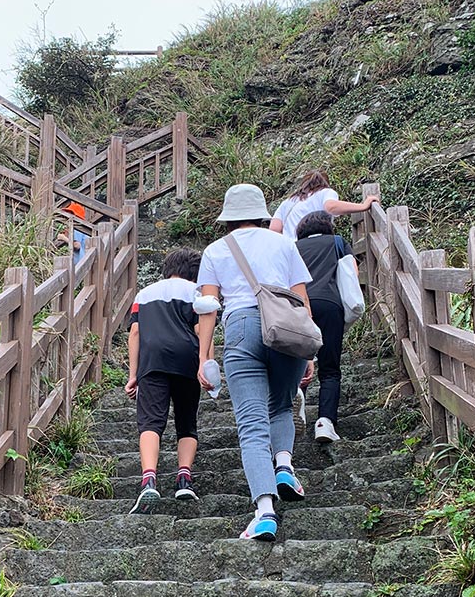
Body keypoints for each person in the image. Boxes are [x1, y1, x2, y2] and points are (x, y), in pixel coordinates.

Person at [196, 184, 313, 541]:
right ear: (262, 213)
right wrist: (310, 352)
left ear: (228, 217)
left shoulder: (216, 250)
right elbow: (301, 298)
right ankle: (284, 465)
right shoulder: (283, 244)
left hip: (241, 326)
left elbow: (207, 309)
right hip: (287, 326)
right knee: (281, 405)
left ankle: (264, 512)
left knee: (251, 424)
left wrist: (205, 357)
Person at [125, 248, 205, 513]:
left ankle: (149, 479)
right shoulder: (196, 293)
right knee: (186, 422)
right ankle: (184, 478)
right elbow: (200, 330)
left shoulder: (144, 294)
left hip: (153, 363)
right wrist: (206, 364)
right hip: (187, 361)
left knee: (150, 422)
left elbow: (135, 332)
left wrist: (133, 374)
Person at [295, 211, 358, 443]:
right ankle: (325, 422)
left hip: (298, 306)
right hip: (330, 304)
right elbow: (352, 271)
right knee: (330, 369)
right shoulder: (337, 242)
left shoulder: (294, 247)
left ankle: (297, 398)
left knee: (298, 363)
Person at [270, 170, 379, 242]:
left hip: (291, 248)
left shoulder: (289, 201)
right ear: (325, 183)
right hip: (315, 244)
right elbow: (330, 207)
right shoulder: (325, 192)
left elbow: (274, 228)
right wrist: (363, 206)